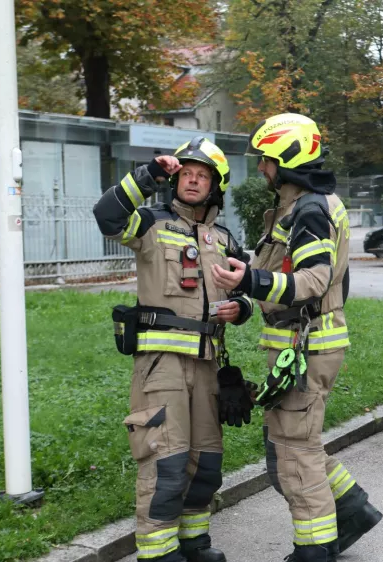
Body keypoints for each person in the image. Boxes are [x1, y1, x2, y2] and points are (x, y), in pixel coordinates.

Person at [210, 113, 381, 562]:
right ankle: (352, 509)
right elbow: (277, 280)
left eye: (266, 160)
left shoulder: (309, 208)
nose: (263, 169)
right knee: (297, 441)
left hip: (304, 346)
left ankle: (315, 548)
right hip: (300, 343)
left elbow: (313, 280)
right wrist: (246, 299)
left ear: (286, 158)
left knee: (294, 452)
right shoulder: (302, 205)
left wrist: (250, 282)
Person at [93, 137, 255, 562]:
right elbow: (106, 215)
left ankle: (193, 543)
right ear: (175, 178)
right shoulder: (149, 224)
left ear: (215, 186)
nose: (193, 180)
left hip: (208, 366)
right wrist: (148, 176)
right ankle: (158, 551)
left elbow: (249, 290)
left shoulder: (223, 237)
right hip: (160, 365)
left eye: (202, 175)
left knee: (205, 464)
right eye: (186, 173)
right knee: (165, 462)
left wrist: (241, 308)